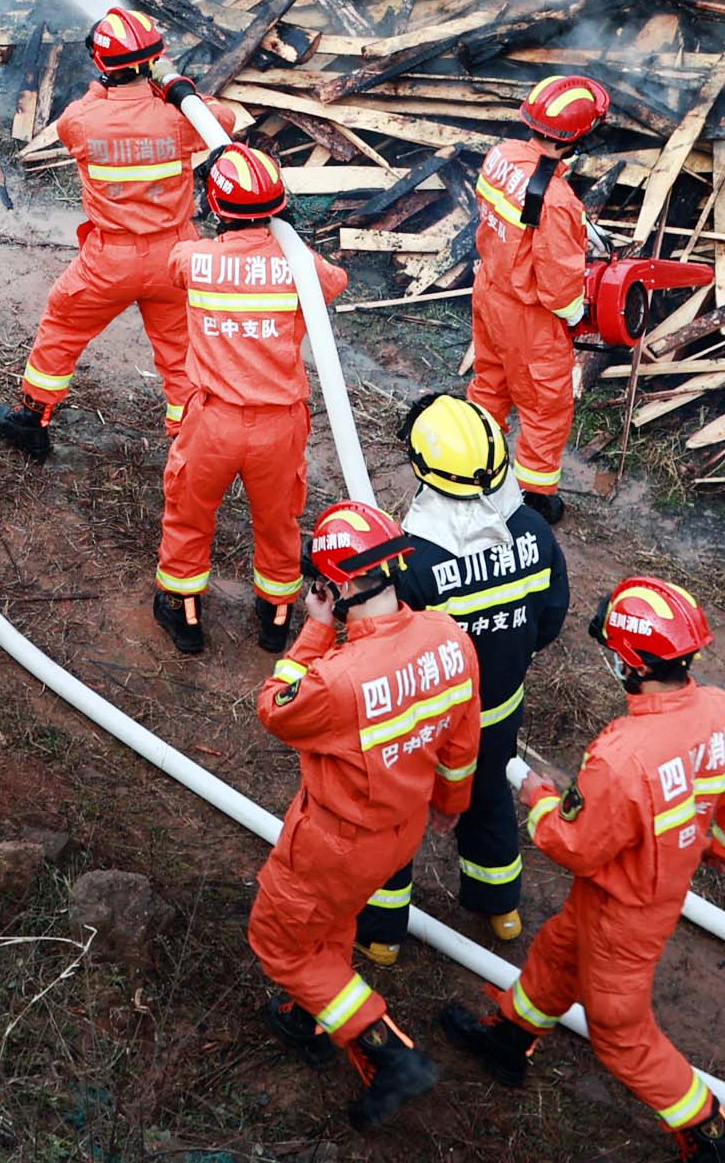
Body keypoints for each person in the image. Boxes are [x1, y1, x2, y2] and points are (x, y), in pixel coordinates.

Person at [438, 575, 725, 1159]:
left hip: (625, 914)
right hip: (635, 894)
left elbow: (574, 844)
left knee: (620, 1033)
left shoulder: (622, 756)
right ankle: (509, 1040)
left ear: (629, 662)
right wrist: (716, 850)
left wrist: (541, 799)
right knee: (557, 954)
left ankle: (714, 1137)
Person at [249, 500, 476, 1129]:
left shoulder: (337, 679)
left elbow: (276, 707)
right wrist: (450, 807)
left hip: (333, 839)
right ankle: (310, 1012)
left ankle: (388, 1048)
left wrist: (316, 630)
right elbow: (462, 744)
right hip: (399, 833)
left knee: (279, 942)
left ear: (341, 585)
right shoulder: (449, 640)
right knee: (332, 921)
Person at [366, 395, 567, 962]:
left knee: (398, 812)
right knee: (489, 801)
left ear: (424, 469)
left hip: (428, 722)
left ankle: (382, 933)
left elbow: (391, 652)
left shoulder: (413, 559)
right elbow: (550, 617)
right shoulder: (533, 531)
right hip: (500, 711)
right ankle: (500, 907)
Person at [0, 8, 236, 459]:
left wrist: (105, 88)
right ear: (153, 62)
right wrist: (174, 85)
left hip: (110, 260)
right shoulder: (180, 119)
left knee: (63, 327)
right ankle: (189, 444)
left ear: (103, 67)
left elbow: (78, 117)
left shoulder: (83, 120)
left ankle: (33, 417)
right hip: (177, 257)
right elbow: (221, 121)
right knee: (183, 352)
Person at [154, 145, 342, 657]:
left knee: (190, 514)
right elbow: (335, 282)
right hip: (279, 426)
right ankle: (275, 617)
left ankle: (184, 612)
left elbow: (176, 265)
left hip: (212, 422)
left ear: (216, 207)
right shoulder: (302, 268)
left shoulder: (193, 259)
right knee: (279, 522)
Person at [468, 74, 605, 516]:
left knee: (489, 384)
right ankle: (534, 500)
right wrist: (576, 316)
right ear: (579, 136)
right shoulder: (560, 201)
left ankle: (472, 471)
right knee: (546, 407)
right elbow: (560, 287)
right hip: (529, 316)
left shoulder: (501, 156)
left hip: (489, 289)